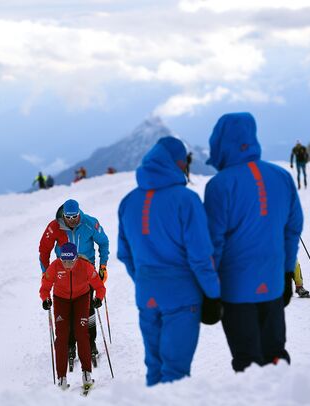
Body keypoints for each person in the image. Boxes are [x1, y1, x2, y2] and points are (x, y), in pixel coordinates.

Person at [204, 112, 304, 373]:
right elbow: (293, 230)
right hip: (272, 285)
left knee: (247, 364)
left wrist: (210, 291)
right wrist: (285, 274)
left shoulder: (219, 185)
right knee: (275, 358)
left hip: (235, 293)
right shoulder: (282, 177)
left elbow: (212, 244)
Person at [117, 136, 221, 386]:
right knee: (175, 373)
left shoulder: (128, 202)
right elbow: (201, 257)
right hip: (182, 298)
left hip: (147, 296)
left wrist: (145, 279)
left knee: (154, 368)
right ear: (178, 164)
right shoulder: (186, 200)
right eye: (185, 162)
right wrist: (213, 295)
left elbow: (125, 254)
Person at [38, 199, 109, 367]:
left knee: (88, 310)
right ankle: (70, 345)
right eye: (68, 217)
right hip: (64, 270)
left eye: (74, 216)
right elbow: (43, 250)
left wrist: (103, 265)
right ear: (64, 215)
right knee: (68, 311)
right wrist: (46, 272)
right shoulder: (55, 226)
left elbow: (104, 243)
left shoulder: (90, 223)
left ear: (79, 213)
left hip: (86, 271)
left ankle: (90, 342)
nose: (71, 220)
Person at [39, 242, 106, 390]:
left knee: (82, 334)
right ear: (60, 258)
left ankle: (87, 373)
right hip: (61, 300)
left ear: (76, 258)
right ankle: (61, 377)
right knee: (61, 337)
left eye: (71, 261)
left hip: (81, 298)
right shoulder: (55, 266)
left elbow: (99, 286)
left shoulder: (85, 266)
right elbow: (45, 286)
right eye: (65, 261)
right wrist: (46, 299)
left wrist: (99, 298)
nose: (67, 265)